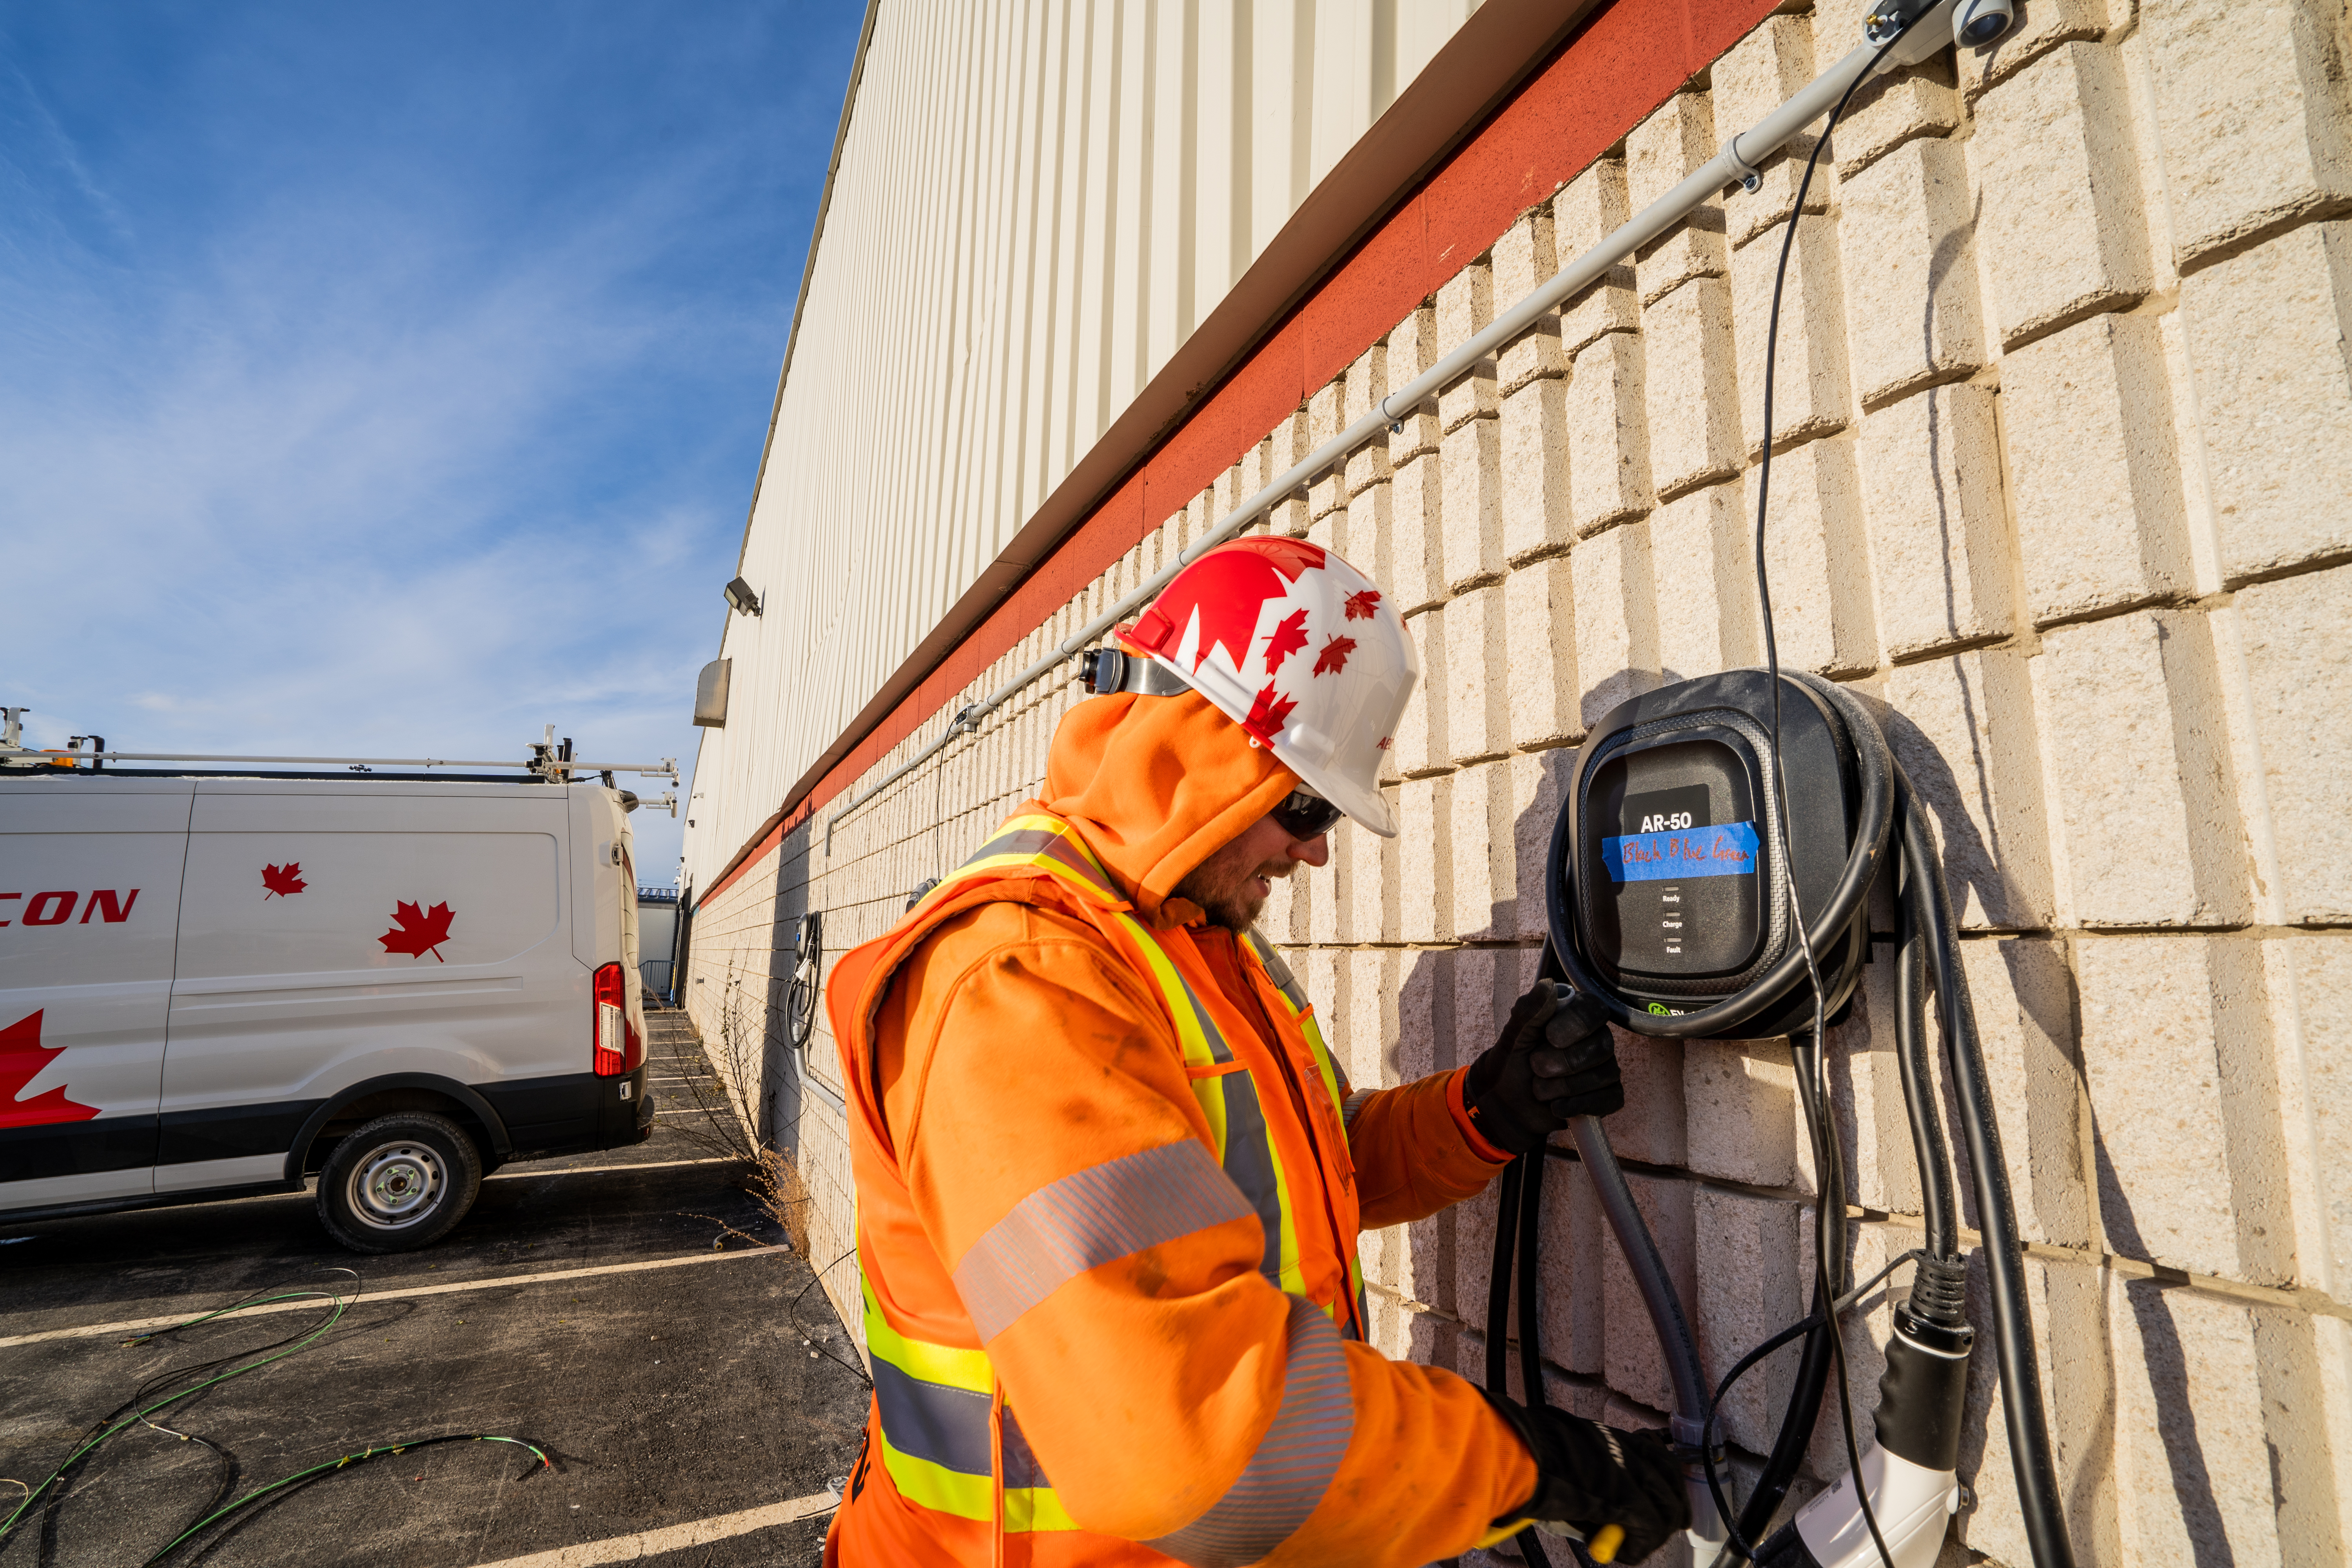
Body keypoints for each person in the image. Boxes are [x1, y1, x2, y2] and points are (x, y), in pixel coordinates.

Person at [823, 537, 1690, 1565]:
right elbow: (1182, 1429)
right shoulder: (1019, 983)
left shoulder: (1199, 954)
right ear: (1209, 754)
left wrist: (1488, 1109)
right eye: (1306, 805)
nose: (1315, 849)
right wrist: (1533, 1464)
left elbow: (1323, 1170)